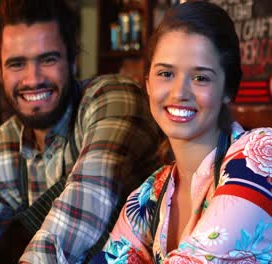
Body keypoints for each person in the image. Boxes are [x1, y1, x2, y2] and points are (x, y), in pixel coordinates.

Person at [0, 0, 161, 263]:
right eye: (16, 64)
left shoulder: (112, 100)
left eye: (48, 59)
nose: (33, 79)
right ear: (0, 71)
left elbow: (83, 207)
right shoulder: (9, 145)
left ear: (73, 61)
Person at [94, 1, 272, 263]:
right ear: (147, 84)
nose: (179, 93)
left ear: (227, 90)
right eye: (165, 73)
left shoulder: (260, 156)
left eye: (200, 78)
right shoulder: (149, 195)